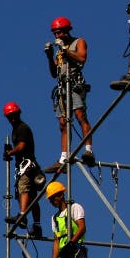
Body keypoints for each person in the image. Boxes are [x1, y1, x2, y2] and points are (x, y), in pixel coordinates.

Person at [43, 17, 95, 173]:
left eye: (59, 32)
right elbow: (54, 73)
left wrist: (65, 50)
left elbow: (82, 58)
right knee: (63, 123)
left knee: (80, 115)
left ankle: (88, 150)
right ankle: (64, 157)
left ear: (66, 30)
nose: (57, 36)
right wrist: (50, 55)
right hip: (61, 87)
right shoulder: (59, 50)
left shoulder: (78, 42)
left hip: (74, 84)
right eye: (55, 33)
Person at [2, 102, 44, 238]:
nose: (12, 118)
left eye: (13, 115)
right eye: (10, 116)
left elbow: (22, 146)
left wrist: (10, 152)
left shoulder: (22, 128)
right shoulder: (16, 129)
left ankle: (22, 215)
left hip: (27, 166)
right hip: (27, 166)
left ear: (18, 113)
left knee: (24, 189)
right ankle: (37, 225)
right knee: (32, 197)